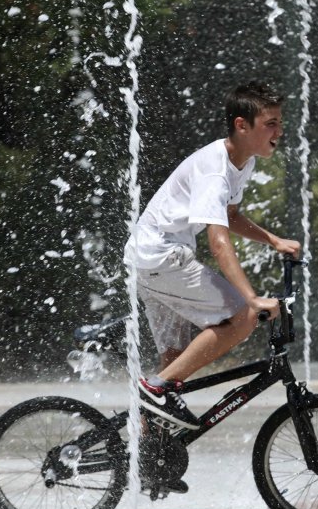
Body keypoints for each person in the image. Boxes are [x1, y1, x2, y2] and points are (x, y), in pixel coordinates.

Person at [125, 81, 301, 434]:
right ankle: (155, 391)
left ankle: (152, 452)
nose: (280, 131)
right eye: (271, 123)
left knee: (175, 359)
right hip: (161, 257)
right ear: (241, 125)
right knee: (242, 316)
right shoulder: (215, 170)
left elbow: (231, 215)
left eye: (280, 123)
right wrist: (250, 299)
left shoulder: (242, 161)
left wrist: (273, 240)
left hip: (149, 259)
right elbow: (218, 241)